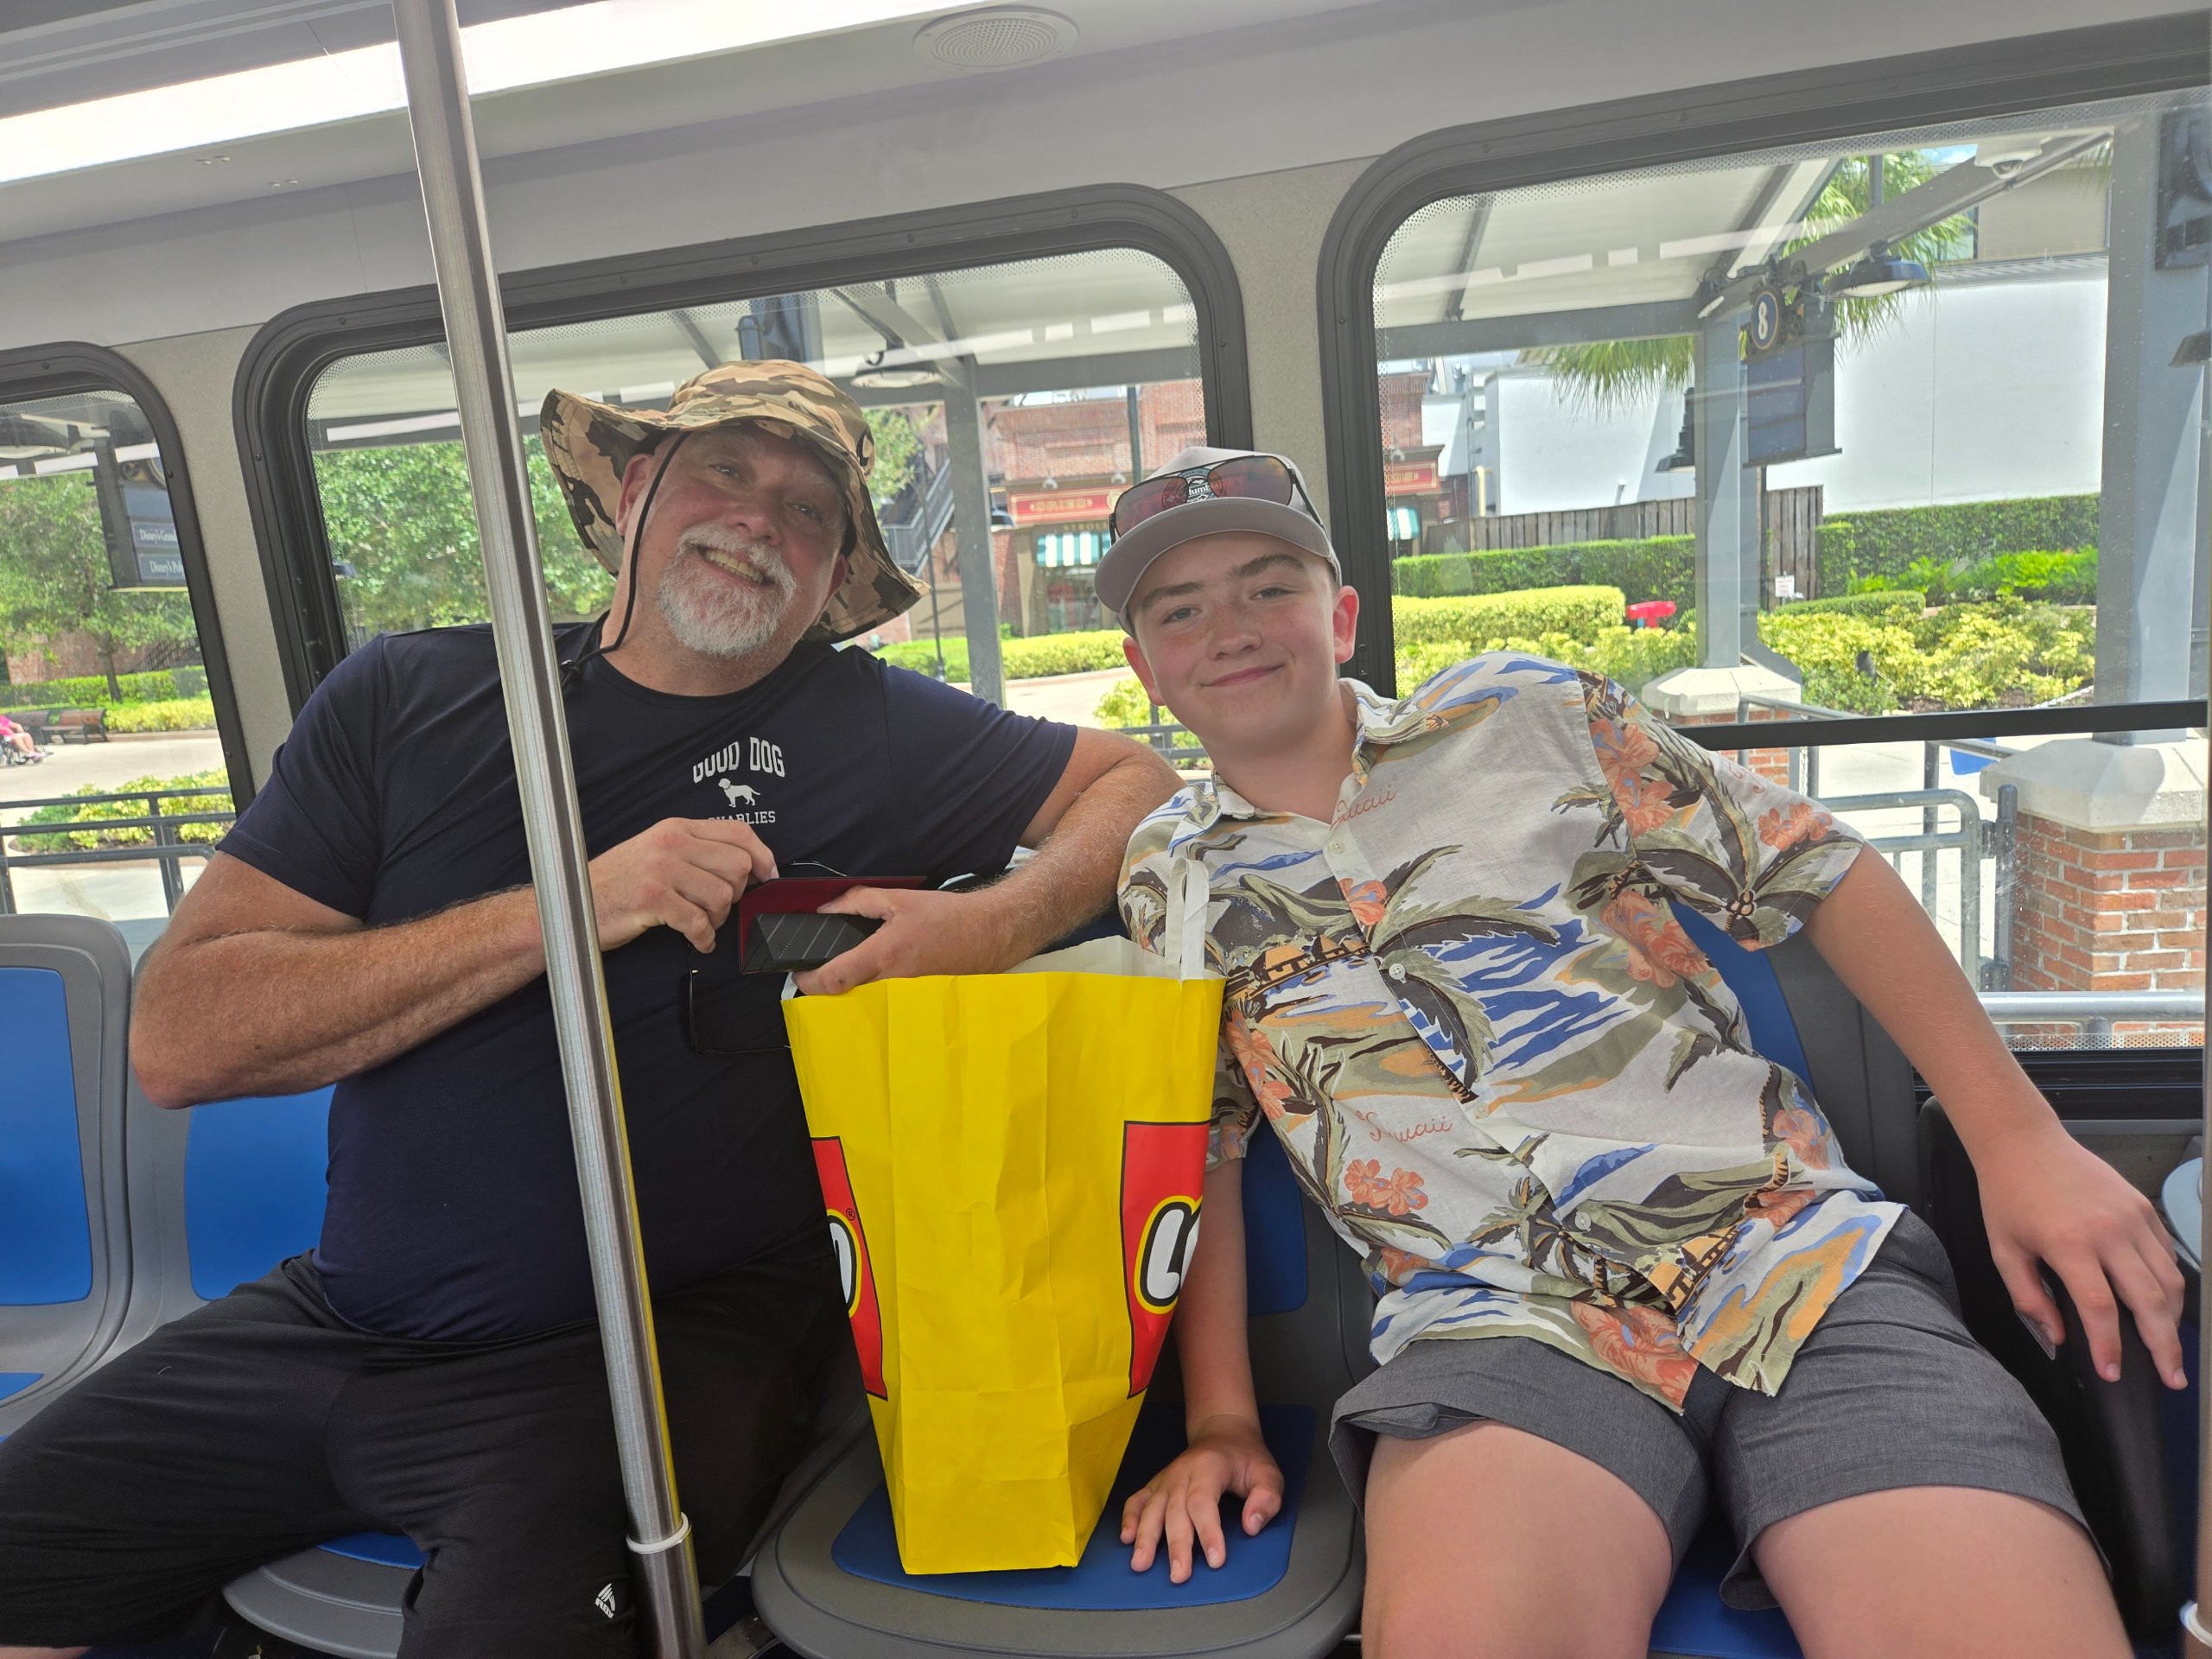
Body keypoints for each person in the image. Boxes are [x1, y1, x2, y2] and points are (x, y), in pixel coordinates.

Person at [0, 363, 1178, 1659]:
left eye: (809, 510)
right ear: (631, 492)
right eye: (724, 470)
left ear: (835, 576)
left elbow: (1135, 784)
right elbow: (180, 1039)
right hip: (334, 1319)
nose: (759, 519)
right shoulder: (406, 699)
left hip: (644, 1354)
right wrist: (567, 905)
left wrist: (992, 923)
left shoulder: (876, 726)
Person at [1101, 448, 2186, 1659]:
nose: (1231, 631)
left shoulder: (1524, 716)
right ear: (1144, 668)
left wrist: (2020, 1142)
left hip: (1784, 1248)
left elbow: (1818, 867)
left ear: (1342, 616)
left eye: (1268, 587)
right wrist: (1222, 1420)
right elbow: (1202, 1144)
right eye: (1179, 611)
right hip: (1496, 1325)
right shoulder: (1168, 877)